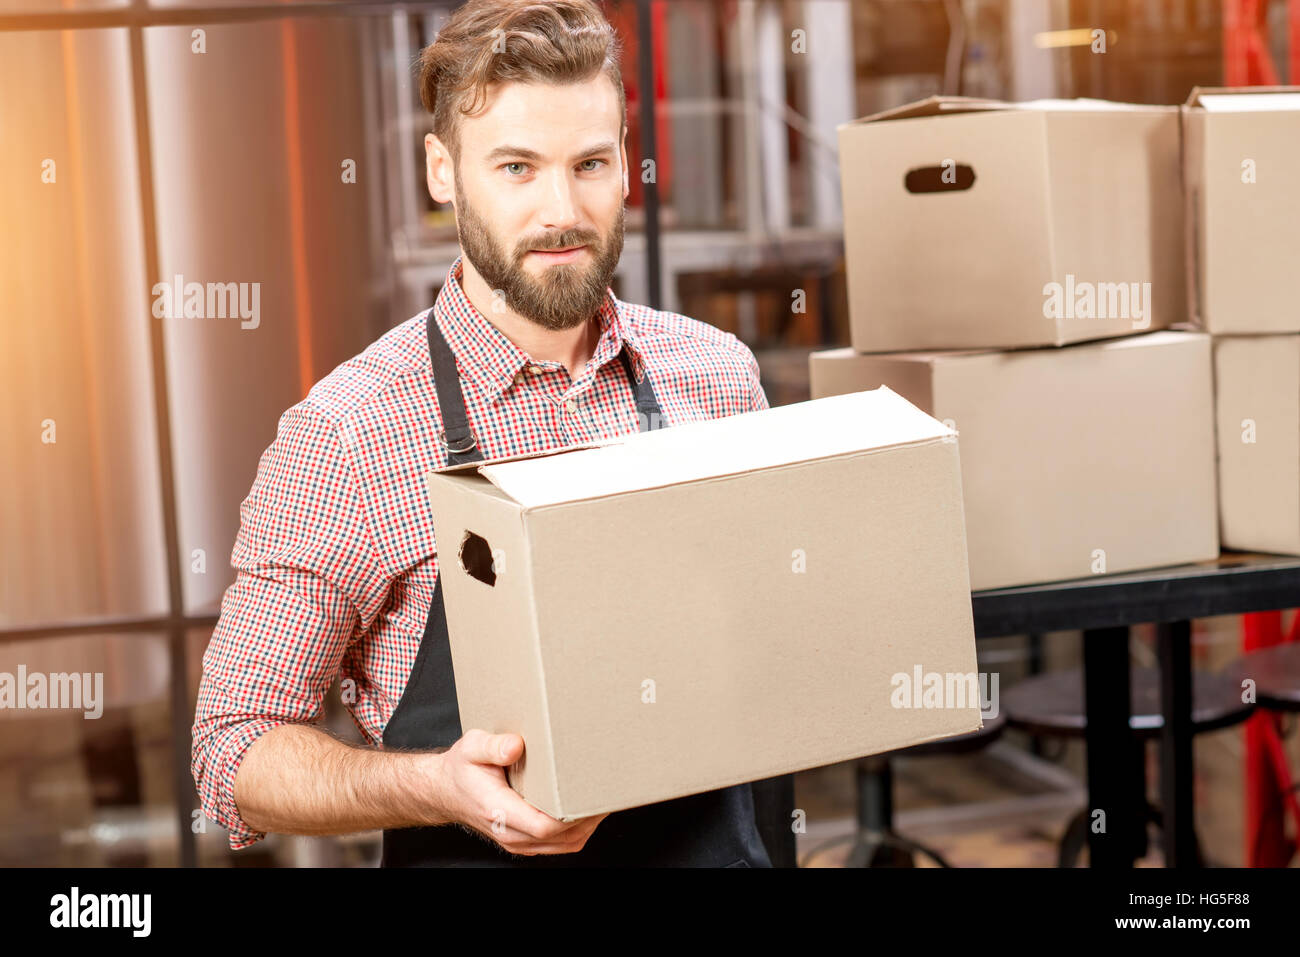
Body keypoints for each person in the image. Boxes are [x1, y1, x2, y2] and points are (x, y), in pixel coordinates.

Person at [191, 0, 772, 867]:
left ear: (626, 165)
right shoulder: (350, 433)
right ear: (443, 171)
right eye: (516, 167)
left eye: (590, 163)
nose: (562, 210)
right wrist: (433, 787)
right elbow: (232, 750)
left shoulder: (717, 374)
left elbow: (771, 645)